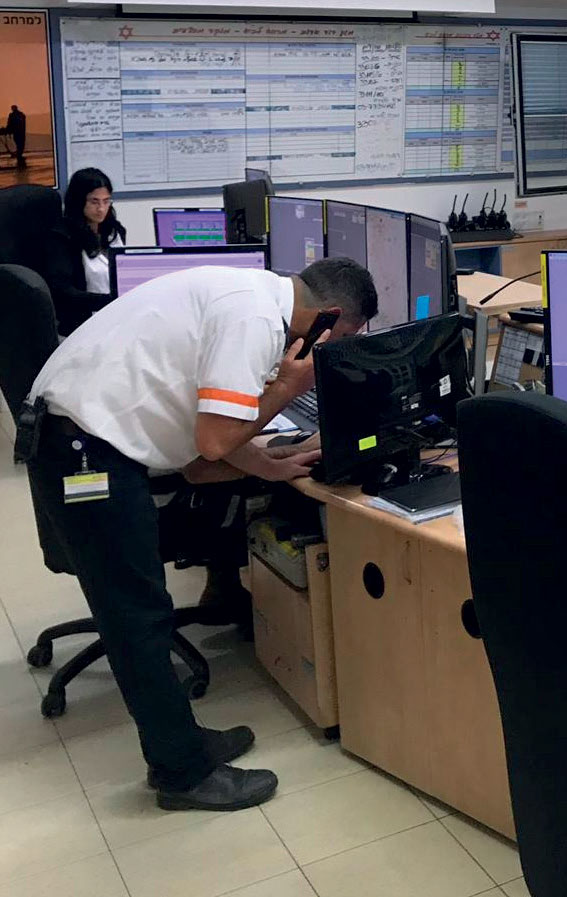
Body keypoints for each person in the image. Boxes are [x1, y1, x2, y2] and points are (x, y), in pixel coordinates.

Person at [23, 257, 377, 811]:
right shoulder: (254, 322)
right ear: (327, 318)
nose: (334, 354)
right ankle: (181, 774)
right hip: (82, 453)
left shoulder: (255, 297)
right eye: (344, 340)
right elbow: (213, 443)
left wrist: (268, 466)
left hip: (80, 433)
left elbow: (201, 457)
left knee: (139, 611)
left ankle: (183, 741)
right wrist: (289, 386)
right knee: (137, 616)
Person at [41, 167, 127, 336]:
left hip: (116, 317)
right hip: (80, 326)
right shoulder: (61, 238)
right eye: (94, 202)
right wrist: (108, 301)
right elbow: (63, 292)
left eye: (106, 201)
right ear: (79, 201)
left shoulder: (114, 231)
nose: (101, 209)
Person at [3, 104, 25, 168]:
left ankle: (19, 154)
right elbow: (9, 124)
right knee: (20, 144)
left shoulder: (16, 115)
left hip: (18, 132)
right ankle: (19, 154)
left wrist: (8, 130)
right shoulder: (20, 115)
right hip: (19, 133)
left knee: (19, 143)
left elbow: (9, 124)